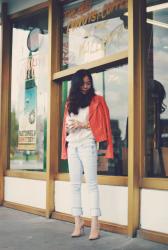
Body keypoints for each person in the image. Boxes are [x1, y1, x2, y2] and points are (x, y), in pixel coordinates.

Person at [61, 69, 114, 240]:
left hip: (87, 145)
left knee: (91, 184)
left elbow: (103, 126)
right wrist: (71, 127)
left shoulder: (97, 99)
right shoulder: (70, 102)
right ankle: (78, 223)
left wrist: (82, 125)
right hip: (73, 146)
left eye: (88, 83)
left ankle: (95, 225)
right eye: (83, 83)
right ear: (76, 84)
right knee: (74, 185)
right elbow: (67, 125)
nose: (86, 86)